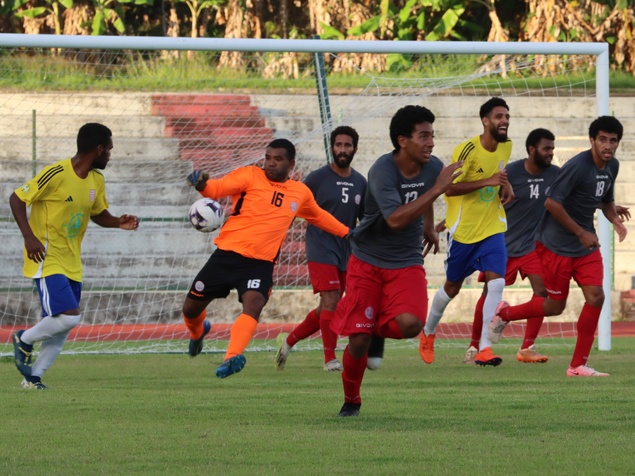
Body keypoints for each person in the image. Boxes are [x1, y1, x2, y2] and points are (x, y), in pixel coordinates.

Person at [331, 105, 462, 417]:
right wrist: (438, 190)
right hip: (367, 260)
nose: (431, 142)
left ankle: (376, 329)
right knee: (359, 340)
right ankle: (352, 400)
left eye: (432, 135)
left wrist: (429, 225)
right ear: (403, 141)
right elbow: (395, 219)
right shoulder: (382, 171)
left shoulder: (432, 167)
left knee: (411, 324)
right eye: (424, 136)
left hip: (406, 261)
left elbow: (429, 192)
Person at [184, 138, 350, 379]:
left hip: (260, 264)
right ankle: (198, 331)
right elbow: (216, 189)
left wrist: (348, 233)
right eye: (268, 158)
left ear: (291, 164)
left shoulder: (299, 192)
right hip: (226, 256)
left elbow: (319, 216)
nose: (270, 163)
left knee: (254, 304)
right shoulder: (249, 175)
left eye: (278, 159)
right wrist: (202, 184)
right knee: (190, 309)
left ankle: (232, 357)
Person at [489, 116, 628, 377]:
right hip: (555, 246)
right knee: (555, 306)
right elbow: (552, 203)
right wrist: (580, 232)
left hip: (584, 247)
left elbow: (605, 199)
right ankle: (504, 313)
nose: (608, 145)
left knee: (596, 297)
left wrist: (615, 220)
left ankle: (577, 366)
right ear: (592, 141)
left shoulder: (613, 166)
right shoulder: (577, 166)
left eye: (613, 140)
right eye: (603, 140)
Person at [10, 123, 140, 390]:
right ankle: (24, 339)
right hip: (46, 256)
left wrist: (117, 222)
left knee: (61, 326)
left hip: (72, 261)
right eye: (110, 150)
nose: (110, 155)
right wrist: (29, 237)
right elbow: (16, 198)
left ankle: (33, 379)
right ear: (99, 149)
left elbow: (96, 213)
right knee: (69, 316)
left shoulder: (96, 180)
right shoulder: (56, 173)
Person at [419, 97, 514, 367]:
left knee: (496, 282)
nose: (504, 121)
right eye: (498, 116)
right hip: (463, 232)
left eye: (506, 116)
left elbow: (500, 174)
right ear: (485, 121)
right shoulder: (467, 150)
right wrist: (490, 181)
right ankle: (428, 331)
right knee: (451, 288)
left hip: (492, 226)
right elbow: (448, 188)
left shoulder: (507, 146)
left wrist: (506, 186)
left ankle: (484, 347)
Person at [463, 128, 559, 365]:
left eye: (552, 149)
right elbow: (484, 198)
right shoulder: (510, 172)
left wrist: (607, 206)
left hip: (532, 247)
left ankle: (527, 348)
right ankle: (474, 346)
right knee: (488, 296)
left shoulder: (557, 174)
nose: (551, 153)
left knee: (543, 293)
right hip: (501, 245)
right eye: (546, 149)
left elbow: (575, 196)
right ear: (531, 149)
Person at [275, 126, 367, 372]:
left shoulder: (360, 182)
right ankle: (330, 360)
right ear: (332, 148)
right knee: (332, 299)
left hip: (346, 250)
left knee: (329, 306)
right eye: (338, 145)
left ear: (355, 149)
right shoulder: (317, 178)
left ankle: (289, 341)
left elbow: (364, 219)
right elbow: (293, 207)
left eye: (347, 146)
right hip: (320, 246)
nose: (342, 150)